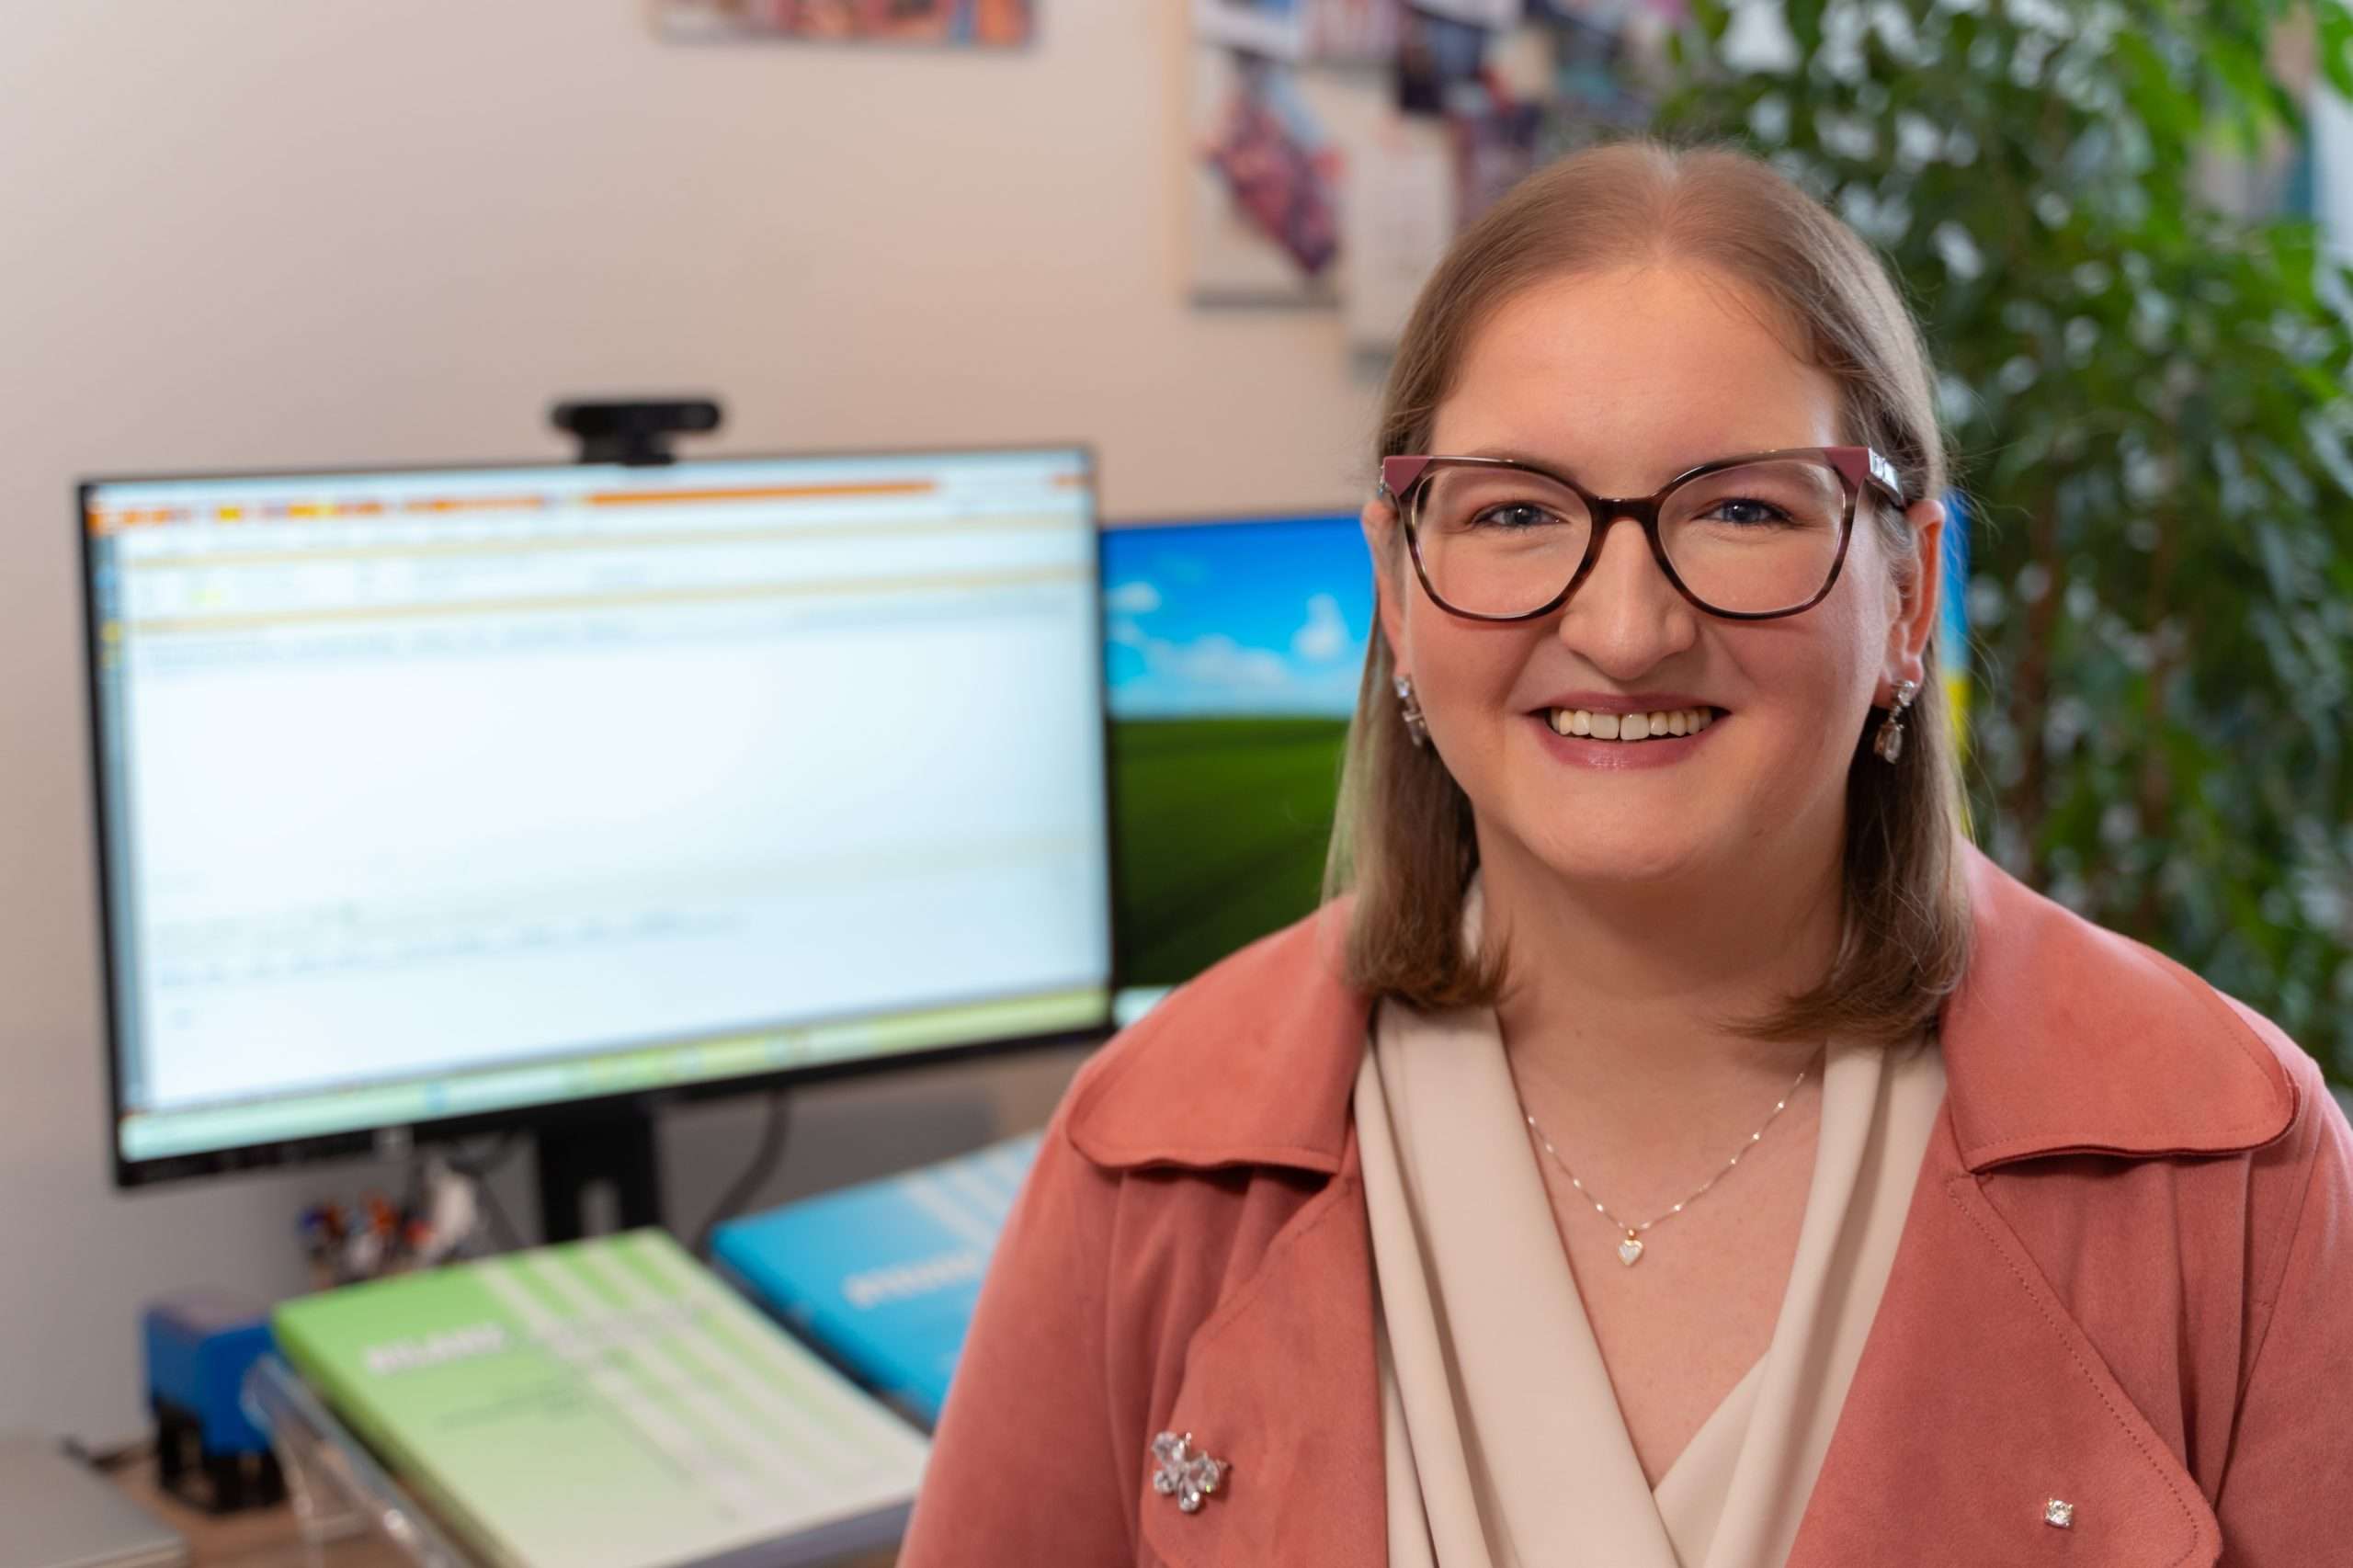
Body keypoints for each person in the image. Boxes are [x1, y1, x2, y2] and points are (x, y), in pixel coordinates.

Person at [897, 142, 2353, 1566]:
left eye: (1741, 509)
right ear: (1399, 593)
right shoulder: (1146, 1159)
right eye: (1517, 512)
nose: (1625, 625)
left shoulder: (2235, 1164)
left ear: (1906, 595)